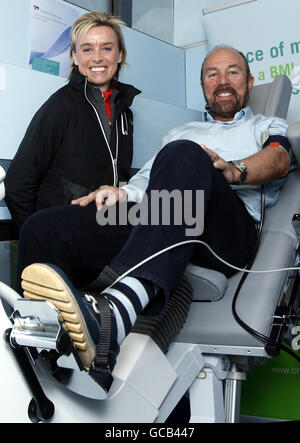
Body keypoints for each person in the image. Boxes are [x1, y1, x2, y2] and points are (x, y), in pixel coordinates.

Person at [18, 46, 291, 395]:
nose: (222, 81)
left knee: (187, 154)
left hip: (225, 234)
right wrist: (118, 195)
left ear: (249, 82)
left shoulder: (265, 125)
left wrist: (235, 170)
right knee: (45, 228)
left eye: (233, 72)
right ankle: (46, 365)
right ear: (204, 86)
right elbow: (143, 187)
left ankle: (116, 313)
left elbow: (279, 158)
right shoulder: (180, 131)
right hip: (168, 214)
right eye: (212, 74)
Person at [4, 11, 140, 231]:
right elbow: (18, 183)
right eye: (87, 49)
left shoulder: (125, 112)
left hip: (106, 235)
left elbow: (120, 177)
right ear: (75, 58)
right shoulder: (63, 104)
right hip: (65, 238)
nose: (97, 57)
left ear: (120, 55)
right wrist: (42, 238)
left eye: (107, 48)